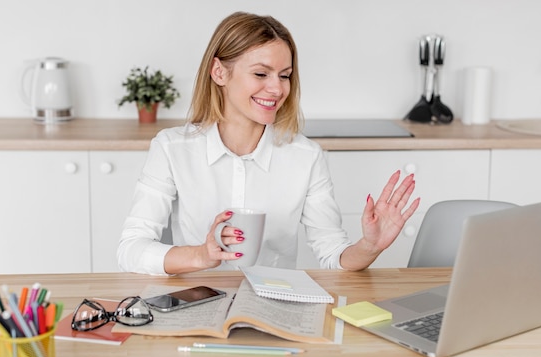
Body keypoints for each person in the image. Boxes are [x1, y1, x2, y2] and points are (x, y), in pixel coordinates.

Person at [117, 11, 420, 276]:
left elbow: (332, 254)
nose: (277, 89)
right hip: (197, 301)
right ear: (219, 72)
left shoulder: (306, 157)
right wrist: (201, 254)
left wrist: (369, 246)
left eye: (285, 76)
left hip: (273, 302)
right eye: (261, 73)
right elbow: (130, 249)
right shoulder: (172, 148)